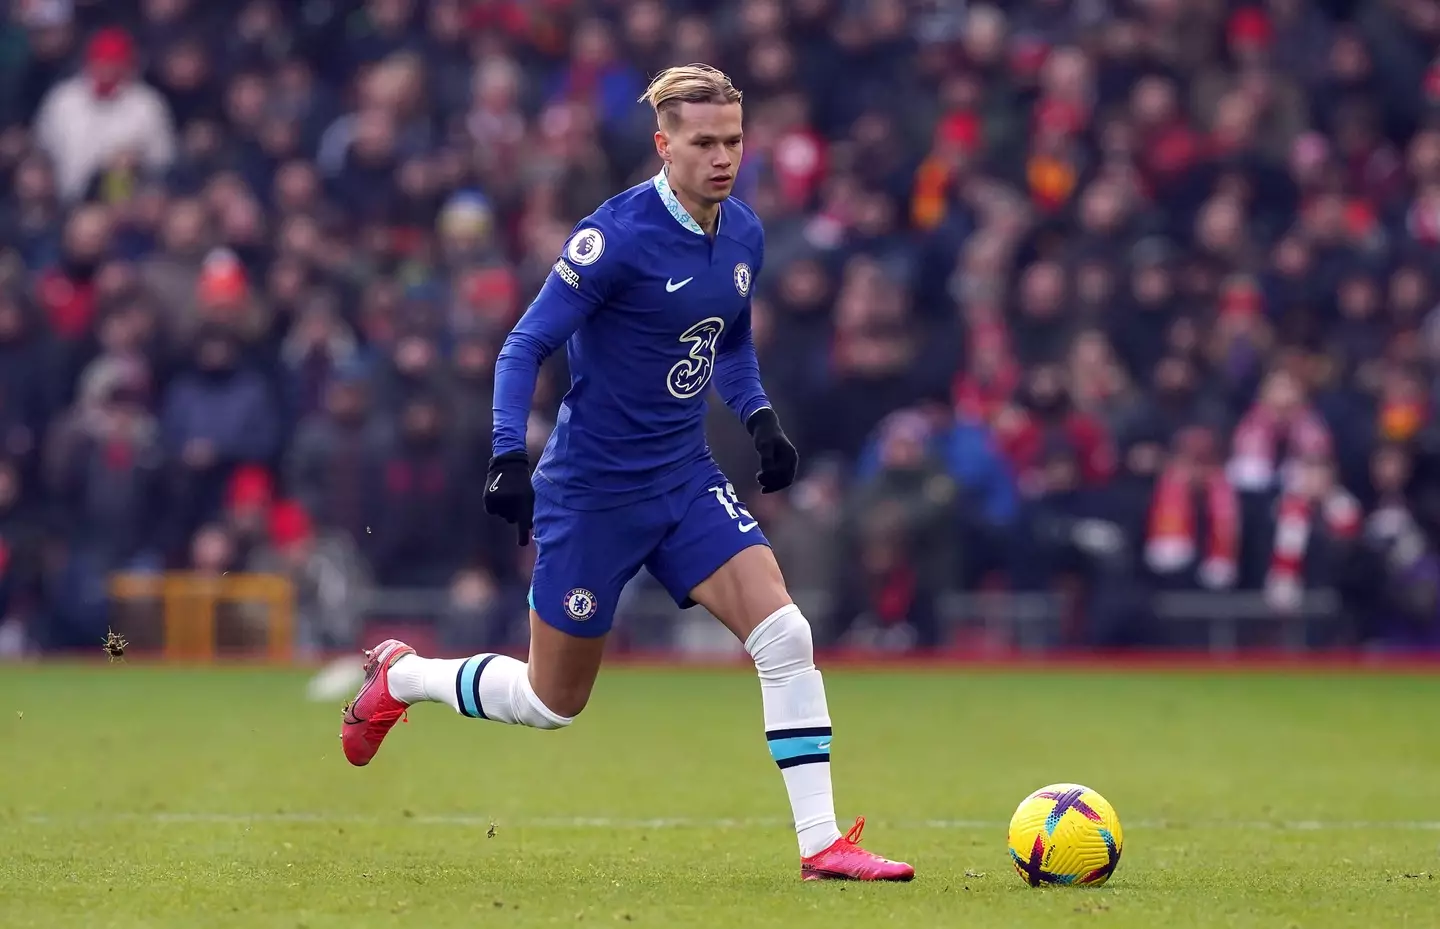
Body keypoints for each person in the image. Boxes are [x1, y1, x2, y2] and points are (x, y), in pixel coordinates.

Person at [339, 64, 913, 883]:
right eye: (704, 142)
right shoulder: (612, 238)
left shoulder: (743, 232)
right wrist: (508, 454)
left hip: (683, 477)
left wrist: (758, 416)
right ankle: (405, 674)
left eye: (734, 141)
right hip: (592, 494)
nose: (723, 157)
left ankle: (822, 843)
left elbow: (732, 339)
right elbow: (523, 345)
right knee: (552, 702)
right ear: (663, 144)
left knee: (785, 633)